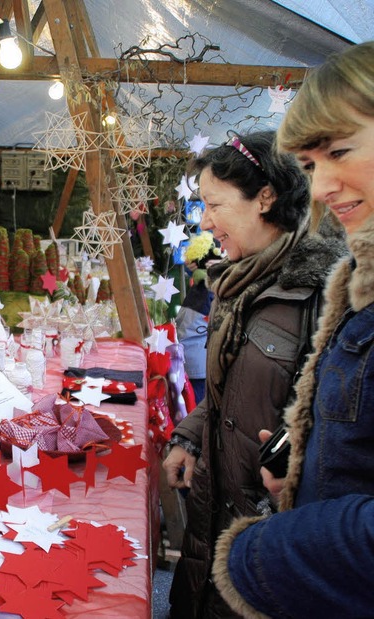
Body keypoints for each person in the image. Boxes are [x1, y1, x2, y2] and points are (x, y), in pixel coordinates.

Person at [212, 41, 374, 618]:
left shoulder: (315, 285)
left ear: (263, 200)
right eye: (311, 167)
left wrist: (256, 556)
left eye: (340, 151)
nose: (324, 187)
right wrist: (302, 471)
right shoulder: (354, 288)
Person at [161, 130, 347, 618]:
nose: (205, 221)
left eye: (214, 204)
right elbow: (228, 391)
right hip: (214, 517)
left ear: (265, 197)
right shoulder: (238, 282)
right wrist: (193, 436)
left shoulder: (324, 295)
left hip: (263, 541)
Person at [175, 231, 221, 403]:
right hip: (196, 357)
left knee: (198, 402)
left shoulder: (207, 290)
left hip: (197, 360)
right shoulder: (207, 288)